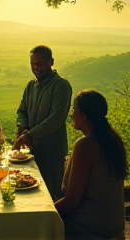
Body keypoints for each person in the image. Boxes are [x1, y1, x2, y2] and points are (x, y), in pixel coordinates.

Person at [55, 90, 128, 239]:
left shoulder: (86, 145)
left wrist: (46, 212)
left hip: (91, 228)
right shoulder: (113, 140)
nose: (71, 114)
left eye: (74, 109)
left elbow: (71, 202)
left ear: (84, 115)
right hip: (114, 225)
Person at [12, 45, 72, 201]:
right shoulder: (31, 86)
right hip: (31, 154)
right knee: (31, 195)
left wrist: (29, 135)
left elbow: (56, 120)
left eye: (39, 63)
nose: (35, 67)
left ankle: (56, 226)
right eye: (32, 63)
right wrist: (23, 128)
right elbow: (21, 111)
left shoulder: (60, 86)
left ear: (51, 62)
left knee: (53, 197)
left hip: (52, 154)